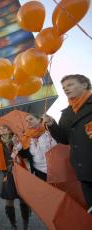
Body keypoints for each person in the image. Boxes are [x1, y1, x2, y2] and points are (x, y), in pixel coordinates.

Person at [43, 74, 92, 214]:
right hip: (84, 172)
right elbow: (64, 139)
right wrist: (52, 125)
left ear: (84, 85)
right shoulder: (67, 113)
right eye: (64, 87)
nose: (66, 89)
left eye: (70, 85)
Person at [0, 125, 30, 230]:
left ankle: (26, 223)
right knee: (9, 199)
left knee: (23, 198)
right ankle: (13, 224)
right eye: (0, 128)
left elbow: (25, 154)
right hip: (6, 173)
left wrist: (17, 143)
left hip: (20, 172)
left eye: (4, 128)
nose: (1, 129)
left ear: (9, 130)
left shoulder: (17, 139)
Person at [14, 114, 57, 181]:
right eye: (26, 121)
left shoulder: (48, 130)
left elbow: (60, 138)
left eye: (31, 119)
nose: (28, 122)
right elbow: (24, 155)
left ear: (39, 120)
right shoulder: (26, 136)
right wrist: (17, 144)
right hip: (39, 170)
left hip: (55, 168)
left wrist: (51, 123)